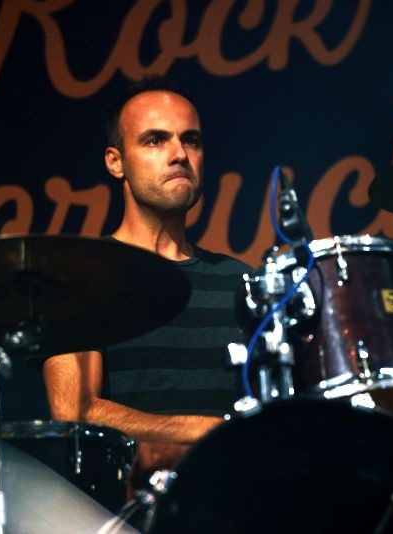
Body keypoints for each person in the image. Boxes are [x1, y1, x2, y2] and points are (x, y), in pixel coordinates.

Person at [42, 77, 250, 483]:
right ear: (115, 161)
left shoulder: (242, 281)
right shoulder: (82, 274)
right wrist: (211, 431)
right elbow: (75, 411)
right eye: (155, 140)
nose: (179, 155)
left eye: (191, 140)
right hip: (123, 506)